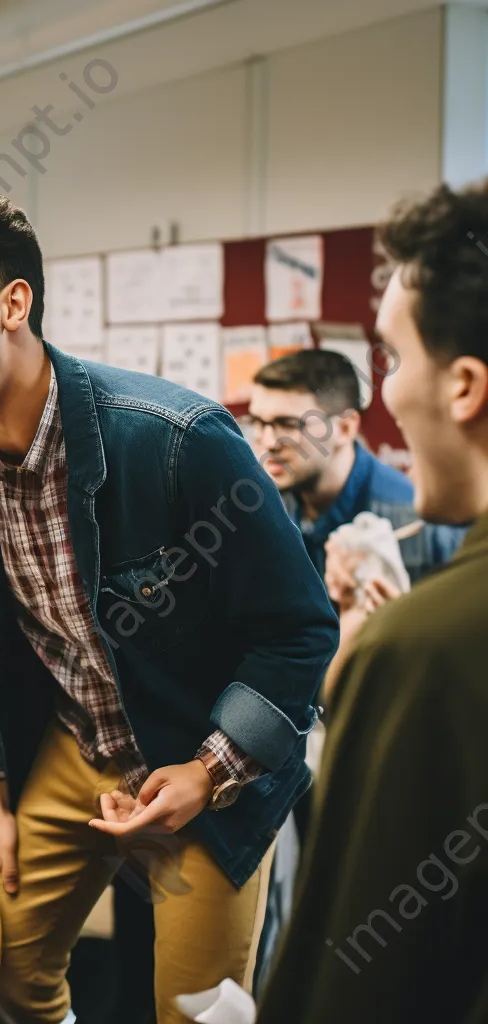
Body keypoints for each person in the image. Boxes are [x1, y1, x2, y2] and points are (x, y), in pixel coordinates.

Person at [0, 188, 338, 1024]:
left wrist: (209, 773)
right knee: (7, 976)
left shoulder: (175, 440)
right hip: (71, 743)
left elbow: (299, 628)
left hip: (201, 757)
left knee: (196, 1013)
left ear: (15, 303)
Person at [256, 182, 488, 1024]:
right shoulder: (270, 513)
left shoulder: (423, 637)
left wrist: (365, 659)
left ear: (462, 385)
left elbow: (355, 968)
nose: (390, 393)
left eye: (394, 359)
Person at [247, 349, 464, 586]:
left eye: (288, 424)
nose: (268, 442)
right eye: (258, 423)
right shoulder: (267, 507)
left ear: (345, 428)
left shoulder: (417, 523)